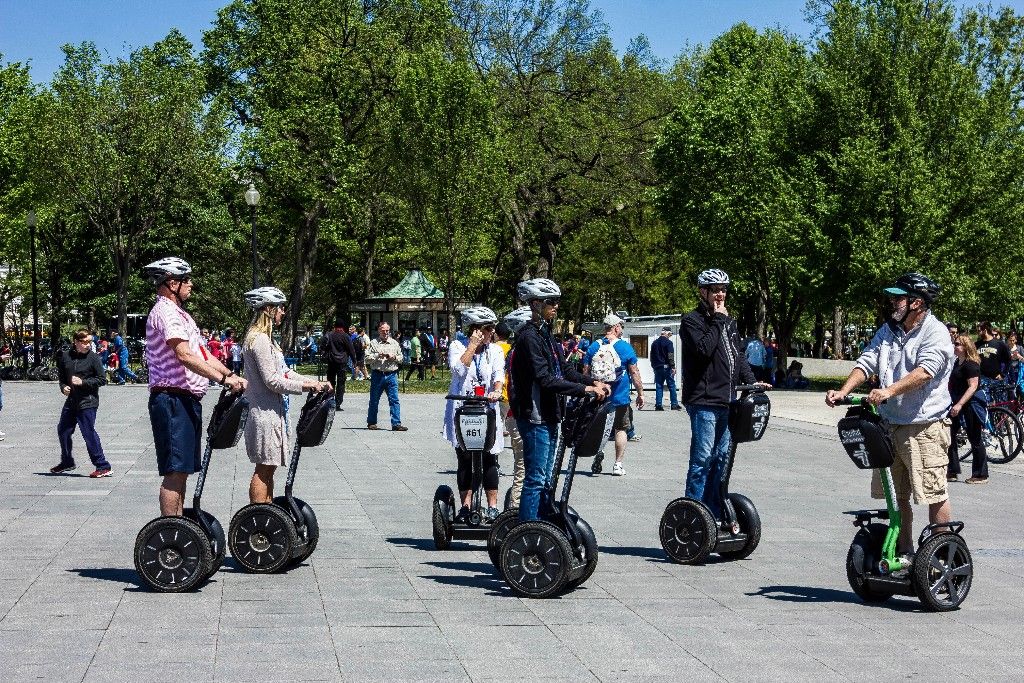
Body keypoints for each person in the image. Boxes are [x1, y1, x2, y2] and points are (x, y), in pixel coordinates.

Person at [826, 272, 954, 569]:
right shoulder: (889, 329)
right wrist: (843, 391)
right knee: (896, 497)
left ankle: (941, 554)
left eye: (899, 297)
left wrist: (888, 391)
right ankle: (907, 553)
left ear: (917, 303)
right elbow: (868, 360)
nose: (892, 302)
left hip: (924, 425)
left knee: (933, 492)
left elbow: (925, 371)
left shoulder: (935, 333)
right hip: (890, 424)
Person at [142, 257, 247, 517]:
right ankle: (170, 532)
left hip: (185, 400)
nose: (191, 284)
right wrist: (223, 380)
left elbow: (202, 354)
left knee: (183, 470)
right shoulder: (165, 312)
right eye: (186, 279)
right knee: (174, 472)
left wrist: (231, 374)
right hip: (171, 399)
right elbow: (185, 355)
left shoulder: (182, 315)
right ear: (171, 282)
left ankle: (179, 527)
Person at [509, 278, 610, 521]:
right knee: (535, 479)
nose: (556, 306)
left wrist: (591, 382)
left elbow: (564, 370)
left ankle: (542, 527)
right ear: (535, 304)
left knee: (546, 479)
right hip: (535, 417)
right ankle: (529, 532)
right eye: (550, 301)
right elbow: (545, 379)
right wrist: (584, 391)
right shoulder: (528, 337)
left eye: (557, 301)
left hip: (550, 414)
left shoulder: (546, 334)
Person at [680, 269, 768, 519]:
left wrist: (752, 382)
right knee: (702, 460)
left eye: (724, 290)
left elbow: (737, 356)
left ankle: (713, 511)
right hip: (703, 401)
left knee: (721, 459)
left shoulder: (729, 322)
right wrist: (718, 320)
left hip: (726, 400)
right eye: (715, 290)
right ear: (703, 292)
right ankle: (693, 512)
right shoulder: (692, 321)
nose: (721, 294)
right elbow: (703, 351)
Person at [241, 287, 330, 504]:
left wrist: (312, 382)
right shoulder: (259, 339)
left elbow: (285, 372)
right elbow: (272, 380)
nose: (283, 311)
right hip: (264, 413)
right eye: (280, 307)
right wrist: (307, 388)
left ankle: (268, 512)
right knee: (264, 469)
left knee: (269, 469)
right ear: (268, 309)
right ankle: (258, 516)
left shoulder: (268, 340)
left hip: (273, 412)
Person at [444, 307, 504, 522]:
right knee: (465, 457)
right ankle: (466, 507)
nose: (492, 332)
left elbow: (499, 374)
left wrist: (496, 390)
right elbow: (458, 370)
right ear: (475, 330)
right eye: (488, 328)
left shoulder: (495, 350)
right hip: (463, 408)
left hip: (486, 409)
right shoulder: (457, 345)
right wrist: (472, 346)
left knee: (489, 458)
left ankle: (492, 507)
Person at [584, 314, 645, 476]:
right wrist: (640, 393)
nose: (622, 329)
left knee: (600, 429)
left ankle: (598, 452)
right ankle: (618, 464)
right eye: (621, 327)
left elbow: (585, 373)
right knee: (621, 429)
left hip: (600, 397)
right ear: (616, 327)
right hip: (620, 397)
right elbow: (634, 372)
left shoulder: (593, 347)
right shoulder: (625, 348)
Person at [50, 329, 111, 477]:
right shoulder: (66, 357)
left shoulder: (93, 358)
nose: (88, 345)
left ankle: (103, 466)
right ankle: (67, 461)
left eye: (90, 342)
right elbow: (62, 377)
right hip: (72, 401)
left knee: (88, 432)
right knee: (63, 430)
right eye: (84, 342)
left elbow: (102, 379)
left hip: (88, 401)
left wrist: (83, 382)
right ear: (76, 342)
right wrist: (63, 387)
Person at [946, 334, 988, 484]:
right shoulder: (958, 362)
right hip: (956, 402)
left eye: (957, 344)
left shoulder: (971, 364)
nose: (954, 346)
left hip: (970, 404)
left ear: (965, 347)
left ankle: (980, 474)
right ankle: (952, 470)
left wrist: (959, 404)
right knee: (949, 434)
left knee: (975, 438)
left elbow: (973, 387)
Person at [366, 321, 407, 431]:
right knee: (374, 400)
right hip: (378, 375)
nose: (385, 332)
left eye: (387, 330)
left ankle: (396, 424)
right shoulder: (373, 343)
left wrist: (393, 357)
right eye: (383, 330)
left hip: (392, 375)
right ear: (379, 330)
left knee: (394, 400)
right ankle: (371, 422)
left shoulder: (394, 343)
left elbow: (401, 358)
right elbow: (366, 359)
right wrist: (376, 355)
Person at [322, 319, 355, 411]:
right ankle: (337, 403)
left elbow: (322, 347)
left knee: (331, 382)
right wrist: (354, 361)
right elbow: (351, 349)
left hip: (331, 362)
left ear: (334, 326)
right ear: (343, 326)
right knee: (341, 383)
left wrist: (325, 356)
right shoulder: (345, 336)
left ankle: (329, 401)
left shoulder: (329, 335)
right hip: (342, 363)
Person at [650, 326, 680, 411]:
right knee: (671, 385)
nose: (670, 336)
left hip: (657, 367)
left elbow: (652, 356)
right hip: (667, 367)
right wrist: (673, 366)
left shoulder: (654, 343)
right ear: (667, 333)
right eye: (670, 334)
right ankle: (674, 404)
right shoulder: (668, 343)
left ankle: (658, 405)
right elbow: (670, 355)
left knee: (659, 386)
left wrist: (654, 366)